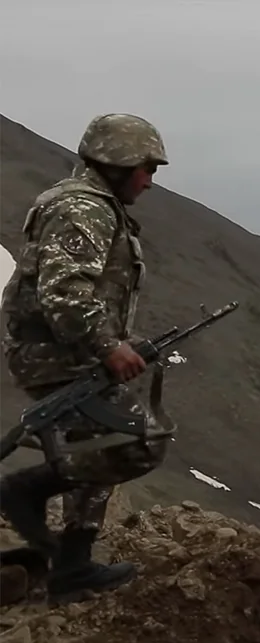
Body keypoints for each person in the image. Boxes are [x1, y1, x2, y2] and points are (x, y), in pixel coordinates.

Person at [0, 113, 172, 603]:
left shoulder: (94, 206)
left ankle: (72, 565)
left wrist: (118, 340)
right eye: (146, 168)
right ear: (119, 164)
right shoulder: (82, 209)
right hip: (58, 355)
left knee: (100, 442)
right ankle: (24, 492)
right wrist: (107, 345)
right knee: (136, 444)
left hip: (71, 351)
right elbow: (66, 291)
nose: (149, 180)